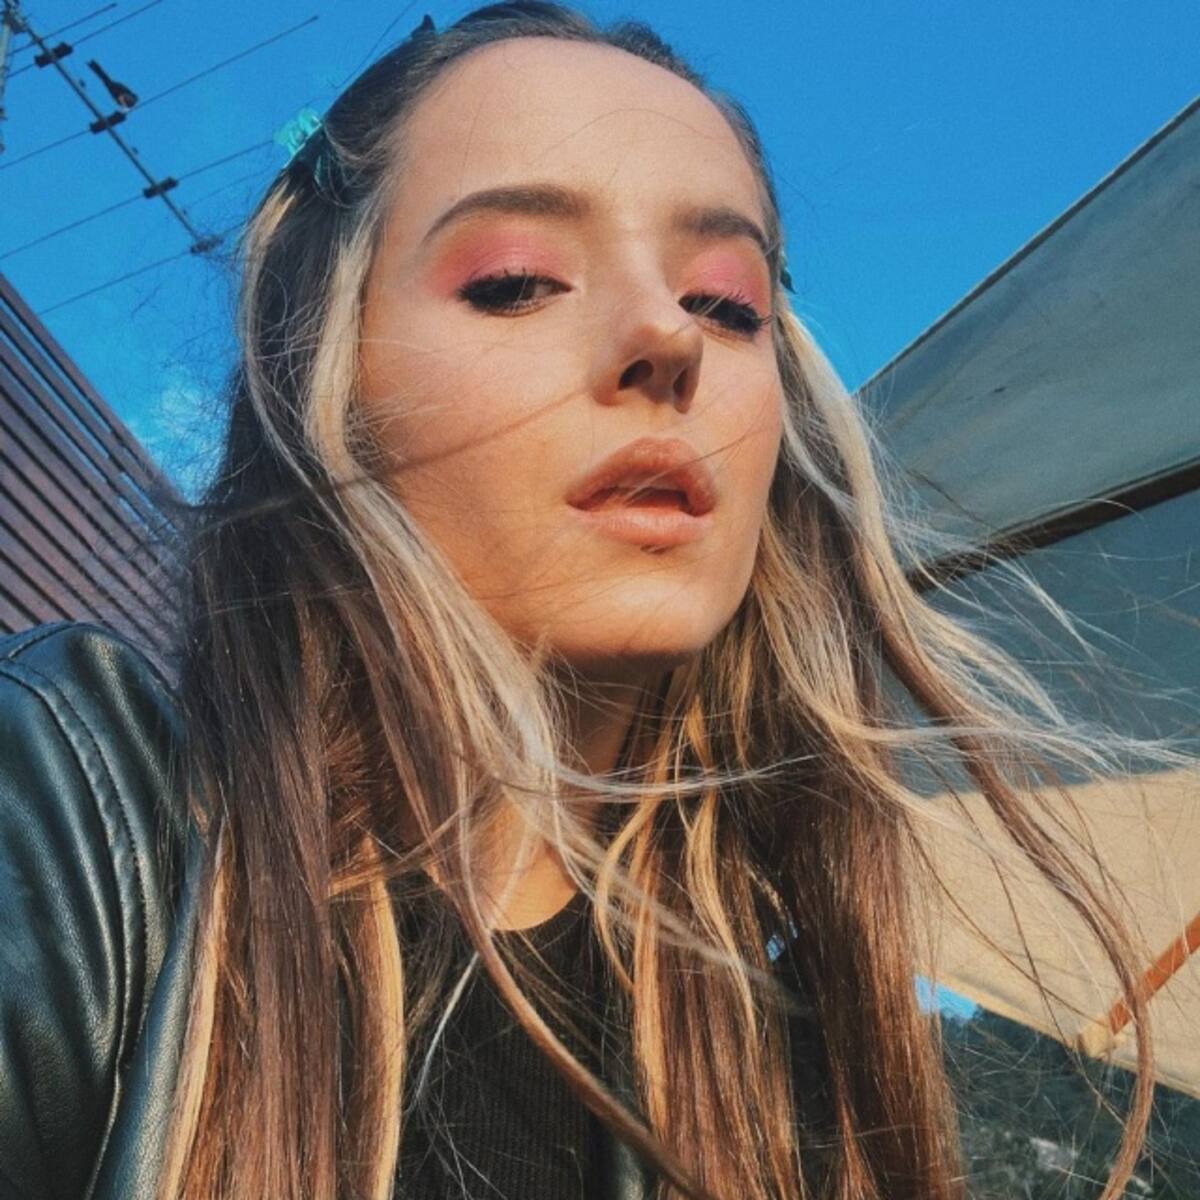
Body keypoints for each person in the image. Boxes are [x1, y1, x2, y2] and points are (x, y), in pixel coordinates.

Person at [0, 4, 1181, 1199]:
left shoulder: (802, 1080)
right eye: (516, 282)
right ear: (322, 372)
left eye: (728, 302)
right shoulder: (77, 825)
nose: (668, 334)